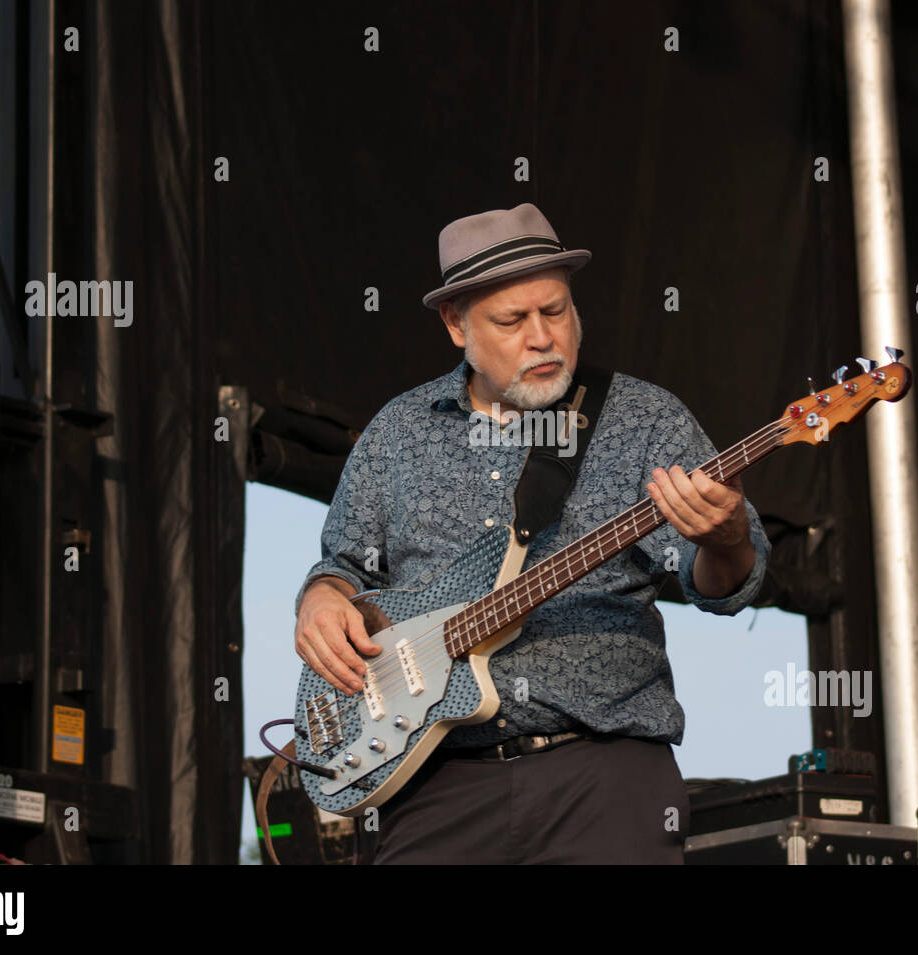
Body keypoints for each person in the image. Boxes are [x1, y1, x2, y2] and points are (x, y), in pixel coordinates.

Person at [293, 203, 770, 863]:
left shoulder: (641, 419)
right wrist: (321, 598)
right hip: (433, 785)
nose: (543, 337)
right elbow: (344, 565)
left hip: (602, 777)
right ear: (455, 323)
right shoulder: (399, 431)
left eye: (556, 310)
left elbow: (722, 587)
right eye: (512, 320)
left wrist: (726, 537)